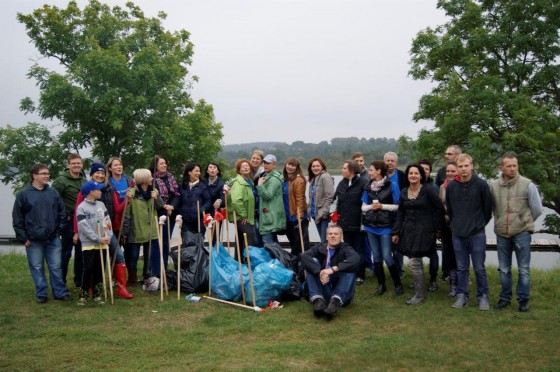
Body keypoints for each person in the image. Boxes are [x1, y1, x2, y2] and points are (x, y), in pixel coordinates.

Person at [490, 153, 542, 312]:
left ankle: (523, 300)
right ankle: (505, 298)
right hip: (501, 233)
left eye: (515, 166)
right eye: (509, 166)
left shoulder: (528, 185)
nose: (512, 169)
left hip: (522, 233)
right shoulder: (492, 186)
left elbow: (537, 209)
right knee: (504, 269)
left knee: (524, 269)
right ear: (501, 168)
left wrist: (524, 222)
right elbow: (491, 208)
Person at [12, 164, 71, 304]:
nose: (47, 176)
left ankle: (60, 292)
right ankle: (41, 293)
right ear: (34, 175)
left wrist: (59, 230)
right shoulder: (23, 194)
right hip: (33, 240)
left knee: (56, 266)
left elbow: (63, 213)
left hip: (53, 238)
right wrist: (23, 237)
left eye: (48, 173)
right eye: (43, 173)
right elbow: (17, 218)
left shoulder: (53, 193)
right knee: (37, 267)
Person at [73, 163, 133, 299]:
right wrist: (76, 231)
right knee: (93, 261)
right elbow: (78, 213)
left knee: (118, 256)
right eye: (97, 173)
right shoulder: (85, 191)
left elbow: (117, 209)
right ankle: (91, 288)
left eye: (102, 173)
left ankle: (121, 288)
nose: (100, 175)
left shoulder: (110, 189)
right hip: (91, 233)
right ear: (92, 174)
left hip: (108, 230)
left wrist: (127, 200)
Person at [392, 164, 444, 305]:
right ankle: (420, 291)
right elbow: (401, 213)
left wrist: (437, 228)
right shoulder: (403, 192)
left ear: (421, 175)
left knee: (414, 261)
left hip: (425, 230)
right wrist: (396, 231)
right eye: (410, 173)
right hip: (408, 231)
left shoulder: (428, 190)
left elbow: (439, 208)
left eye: (416, 173)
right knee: (415, 261)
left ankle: (420, 295)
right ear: (407, 176)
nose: (413, 176)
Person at [446, 154, 493, 310]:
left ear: (472, 166)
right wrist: (455, 224)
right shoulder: (451, 186)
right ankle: (462, 295)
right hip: (458, 233)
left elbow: (488, 210)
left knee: (479, 267)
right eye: (460, 166)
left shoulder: (481, 185)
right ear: (457, 168)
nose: (464, 169)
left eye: (466, 165)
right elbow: (450, 209)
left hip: (477, 233)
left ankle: (483, 296)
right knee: (461, 267)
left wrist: (477, 224)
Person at [361, 160, 403, 296]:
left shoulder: (392, 185)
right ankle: (381, 286)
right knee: (377, 257)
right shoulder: (368, 186)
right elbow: (363, 207)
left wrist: (382, 206)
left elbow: (398, 206)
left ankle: (398, 285)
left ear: (379, 171)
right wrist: (371, 207)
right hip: (370, 226)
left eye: (371, 170)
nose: (369, 172)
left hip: (386, 226)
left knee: (386, 256)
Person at [301, 225, 361, 320]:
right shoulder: (320, 246)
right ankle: (318, 301)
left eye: (336, 234)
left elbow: (356, 259)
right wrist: (319, 272)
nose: (333, 236)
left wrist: (333, 269)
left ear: (341, 237)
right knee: (312, 263)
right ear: (326, 237)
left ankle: (334, 304)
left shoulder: (346, 248)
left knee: (350, 267)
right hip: (324, 288)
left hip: (341, 293)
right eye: (330, 234)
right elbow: (304, 256)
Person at [121, 169, 163, 282]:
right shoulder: (132, 193)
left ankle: (147, 275)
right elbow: (127, 213)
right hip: (136, 229)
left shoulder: (154, 191)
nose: (152, 179)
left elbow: (160, 206)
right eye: (150, 177)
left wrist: (157, 198)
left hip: (150, 229)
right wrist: (125, 232)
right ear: (143, 179)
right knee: (133, 255)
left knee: (148, 255)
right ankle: (132, 277)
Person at [75, 180, 113, 305]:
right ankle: (83, 295)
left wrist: (109, 235)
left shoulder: (101, 205)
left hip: (103, 242)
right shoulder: (81, 207)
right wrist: (97, 238)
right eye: (98, 190)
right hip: (89, 244)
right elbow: (84, 227)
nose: (100, 191)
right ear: (91, 192)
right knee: (88, 269)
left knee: (100, 269)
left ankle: (97, 294)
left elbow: (107, 221)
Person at [52, 153, 86, 287]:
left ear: (82, 165)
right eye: (74, 163)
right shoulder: (61, 181)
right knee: (65, 253)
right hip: (68, 221)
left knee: (81, 253)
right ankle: (61, 283)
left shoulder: (84, 180)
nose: (76, 165)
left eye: (79, 163)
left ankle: (79, 280)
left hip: (82, 222)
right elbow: (53, 201)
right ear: (68, 165)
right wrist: (61, 216)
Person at [332, 159, 367, 284]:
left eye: (344, 168)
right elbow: (337, 201)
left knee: (359, 249)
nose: (342, 170)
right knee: (346, 249)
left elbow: (365, 202)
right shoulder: (342, 183)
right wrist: (335, 218)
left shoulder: (363, 182)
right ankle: (348, 272)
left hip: (357, 223)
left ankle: (360, 274)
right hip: (344, 223)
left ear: (351, 170)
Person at [148, 155, 180, 277]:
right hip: (158, 212)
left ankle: (164, 269)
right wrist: (165, 207)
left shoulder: (170, 177)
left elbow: (176, 193)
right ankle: (155, 271)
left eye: (165, 163)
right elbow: (155, 196)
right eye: (162, 163)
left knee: (166, 242)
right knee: (157, 243)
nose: (165, 165)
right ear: (155, 165)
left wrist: (171, 207)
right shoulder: (151, 179)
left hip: (170, 212)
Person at [106, 156, 136, 283]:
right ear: (110, 168)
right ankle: (114, 277)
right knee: (115, 251)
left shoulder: (129, 181)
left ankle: (132, 276)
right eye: (115, 165)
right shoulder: (108, 184)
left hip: (129, 219)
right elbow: (115, 206)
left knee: (130, 250)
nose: (119, 167)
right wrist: (126, 200)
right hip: (115, 220)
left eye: (120, 164)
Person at [434, 145, 462, 281]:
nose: (446, 156)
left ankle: (461, 275)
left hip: (460, 223)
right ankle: (448, 274)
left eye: (449, 154)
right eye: (445, 154)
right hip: (445, 222)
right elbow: (439, 201)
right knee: (447, 249)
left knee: (460, 250)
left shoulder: (464, 174)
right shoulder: (440, 173)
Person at [418, 159, 440, 292]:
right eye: (422, 169)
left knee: (432, 254)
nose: (424, 171)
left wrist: (437, 228)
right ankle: (418, 280)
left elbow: (438, 209)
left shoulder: (434, 187)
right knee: (416, 255)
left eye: (426, 169)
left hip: (430, 227)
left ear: (430, 172)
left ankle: (433, 280)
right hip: (415, 227)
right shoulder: (412, 186)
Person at [227, 159, 258, 253]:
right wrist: (244, 215)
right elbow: (236, 201)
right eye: (243, 166)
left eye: (247, 165)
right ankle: (249, 261)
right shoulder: (238, 183)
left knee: (240, 240)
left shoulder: (249, 182)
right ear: (239, 170)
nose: (246, 167)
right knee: (250, 237)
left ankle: (240, 263)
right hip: (242, 218)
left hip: (248, 216)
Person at [255, 154, 286, 244]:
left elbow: (268, 196)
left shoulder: (274, 180)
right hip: (268, 217)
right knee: (273, 243)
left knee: (268, 243)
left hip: (270, 218)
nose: (265, 165)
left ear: (274, 165)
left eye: (268, 163)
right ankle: (279, 258)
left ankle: (276, 258)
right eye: (264, 163)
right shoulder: (266, 176)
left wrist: (260, 186)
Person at [282, 157, 310, 254]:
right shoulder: (285, 180)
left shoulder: (299, 180)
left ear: (296, 168)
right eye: (289, 164)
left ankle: (302, 265)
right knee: (293, 243)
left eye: (293, 165)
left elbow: (300, 198)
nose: (290, 167)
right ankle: (295, 264)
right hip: (287, 217)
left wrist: (300, 216)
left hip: (296, 217)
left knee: (300, 245)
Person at [439, 162, 459, 297]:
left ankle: (461, 282)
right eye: (448, 171)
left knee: (460, 255)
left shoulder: (462, 185)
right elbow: (441, 205)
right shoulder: (442, 187)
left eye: (453, 171)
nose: (450, 174)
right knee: (450, 255)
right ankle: (453, 284)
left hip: (459, 226)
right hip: (446, 226)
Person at [178, 162, 212, 234]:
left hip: (199, 220)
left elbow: (208, 201)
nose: (199, 173)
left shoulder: (203, 186)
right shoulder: (181, 186)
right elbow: (178, 201)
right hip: (185, 221)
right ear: (189, 172)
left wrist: (202, 210)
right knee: (186, 242)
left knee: (198, 243)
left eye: (199, 171)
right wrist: (179, 213)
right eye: (196, 171)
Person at [307, 157, 334, 243]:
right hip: (316, 214)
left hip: (323, 215)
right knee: (323, 240)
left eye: (318, 166)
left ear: (322, 167)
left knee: (325, 240)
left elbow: (330, 196)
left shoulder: (325, 177)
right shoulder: (314, 179)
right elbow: (312, 198)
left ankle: (327, 256)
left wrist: (326, 212)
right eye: (313, 166)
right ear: (311, 168)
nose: (315, 168)